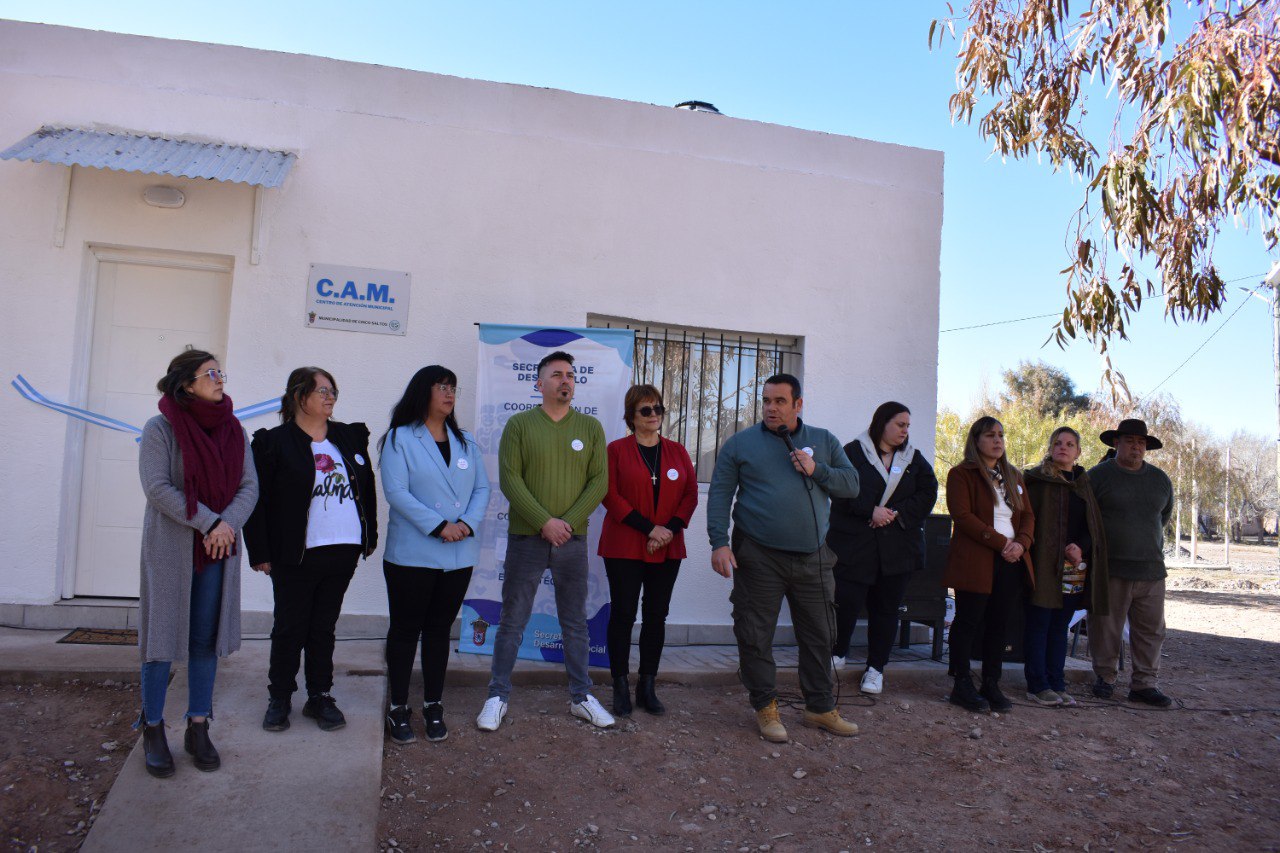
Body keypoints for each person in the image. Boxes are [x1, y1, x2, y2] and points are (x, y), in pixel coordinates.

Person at [708, 374, 861, 742]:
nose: (771, 408)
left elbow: (852, 485)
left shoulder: (824, 440)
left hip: (814, 557)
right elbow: (720, 494)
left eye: (779, 401)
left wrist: (817, 469)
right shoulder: (741, 444)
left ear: (798, 404)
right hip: (759, 555)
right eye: (766, 401)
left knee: (820, 634)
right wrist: (719, 542)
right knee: (754, 633)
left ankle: (819, 707)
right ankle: (766, 707)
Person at [136, 348, 258, 778]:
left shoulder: (234, 429)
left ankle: (198, 725)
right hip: (172, 549)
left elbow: (249, 486)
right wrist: (211, 523)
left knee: (205, 639)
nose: (220, 379)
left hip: (217, 550)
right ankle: (153, 727)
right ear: (186, 384)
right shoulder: (160, 428)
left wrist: (226, 526)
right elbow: (157, 488)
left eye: (220, 372)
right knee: (160, 639)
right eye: (210, 373)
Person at [477, 350, 613, 731]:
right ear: (539, 383)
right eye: (556, 374)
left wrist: (565, 523)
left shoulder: (590, 428)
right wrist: (544, 522)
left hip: (572, 540)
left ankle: (581, 697)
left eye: (570, 374)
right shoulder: (519, 425)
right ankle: (497, 696)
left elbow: (599, 482)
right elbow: (510, 479)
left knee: (575, 623)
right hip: (527, 538)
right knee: (512, 620)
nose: (565, 380)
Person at [245, 367, 378, 733]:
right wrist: (260, 551)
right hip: (296, 553)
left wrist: (368, 536)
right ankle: (280, 696)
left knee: (323, 628)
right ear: (298, 396)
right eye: (322, 391)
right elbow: (256, 500)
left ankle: (319, 695)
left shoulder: (348, 437)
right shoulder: (273, 442)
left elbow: (366, 489)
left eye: (333, 390)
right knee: (290, 628)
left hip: (343, 550)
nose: (330, 396)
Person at [378, 366, 490, 744]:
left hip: (458, 553)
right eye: (442, 386)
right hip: (413, 554)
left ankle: (433, 704)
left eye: (453, 387)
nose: (449, 393)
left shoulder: (465, 441)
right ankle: (398, 707)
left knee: (440, 631)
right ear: (422, 391)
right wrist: (440, 525)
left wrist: (466, 525)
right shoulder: (400, 438)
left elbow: (482, 488)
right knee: (405, 630)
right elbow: (397, 492)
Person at [598, 384, 698, 716]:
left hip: (667, 546)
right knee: (623, 614)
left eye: (657, 409)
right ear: (631, 416)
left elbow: (690, 495)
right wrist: (649, 529)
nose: (653, 415)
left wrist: (668, 530)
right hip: (624, 544)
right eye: (645, 410)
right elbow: (609, 495)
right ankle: (619, 686)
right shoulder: (616, 450)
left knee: (656, 615)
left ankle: (647, 685)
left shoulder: (678, 451)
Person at [826, 402, 938, 695]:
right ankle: (837, 653)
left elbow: (929, 492)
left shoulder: (913, 459)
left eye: (908, 426)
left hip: (897, 551)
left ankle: (876, 669)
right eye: (900, 424)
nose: (905, 431)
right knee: (846, 603)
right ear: (882, 422)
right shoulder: (853, 452)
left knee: (886, 610)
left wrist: (895, 513)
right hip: (855, 547)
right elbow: (840, 489)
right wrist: (870, 511)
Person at [943, 416, 1035, 713]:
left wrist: (1021, 544)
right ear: (976, 440)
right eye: (990, 435)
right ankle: (961, 683)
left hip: (1011, 559)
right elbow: (962, 516)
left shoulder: (1014, 476)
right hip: (977, 558)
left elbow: (1028, 516)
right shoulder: (962, 474)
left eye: (1001, 435)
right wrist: (1001, 543)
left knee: (1000, 622)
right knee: (968, 620)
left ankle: (991, 683)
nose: (997, 440)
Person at [1087, 419, 1175, 707]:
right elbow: (1085, 516)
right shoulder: (1098, 476)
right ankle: (1105, 678)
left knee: (1151, 631)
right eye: (1129, 441)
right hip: (1111, 568)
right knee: (1106, 627)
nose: (1136, 447)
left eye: (1141, 442)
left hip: (1151, 570)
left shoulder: (1160, 480)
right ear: (1116, 443)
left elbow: (1162, 517)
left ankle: (1144, 684)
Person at [1022, 427, 1109, 707]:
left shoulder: (1083, 485)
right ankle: (1037, 686)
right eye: (1058, 443)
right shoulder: (1037, 482)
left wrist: (1080, 546)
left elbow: (1092, 525)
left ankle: (1057, 683)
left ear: (1078, 452)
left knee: (1060, 627)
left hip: (1074, 567)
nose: (1063, 447)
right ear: (1050, 448)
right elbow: (1026, 522)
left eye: (1070, 444)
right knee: (1040, 624)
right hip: (1043, 565)